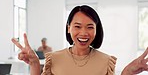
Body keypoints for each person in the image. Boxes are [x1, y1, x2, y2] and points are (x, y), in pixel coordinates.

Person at [11, 5, 148, 75]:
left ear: (96, 30)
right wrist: (34, 64)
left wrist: (126, 73)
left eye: (90, 27)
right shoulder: (53, 59)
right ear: (68, 28)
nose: (84, 33)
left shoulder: (106, 61)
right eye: (77, 26)